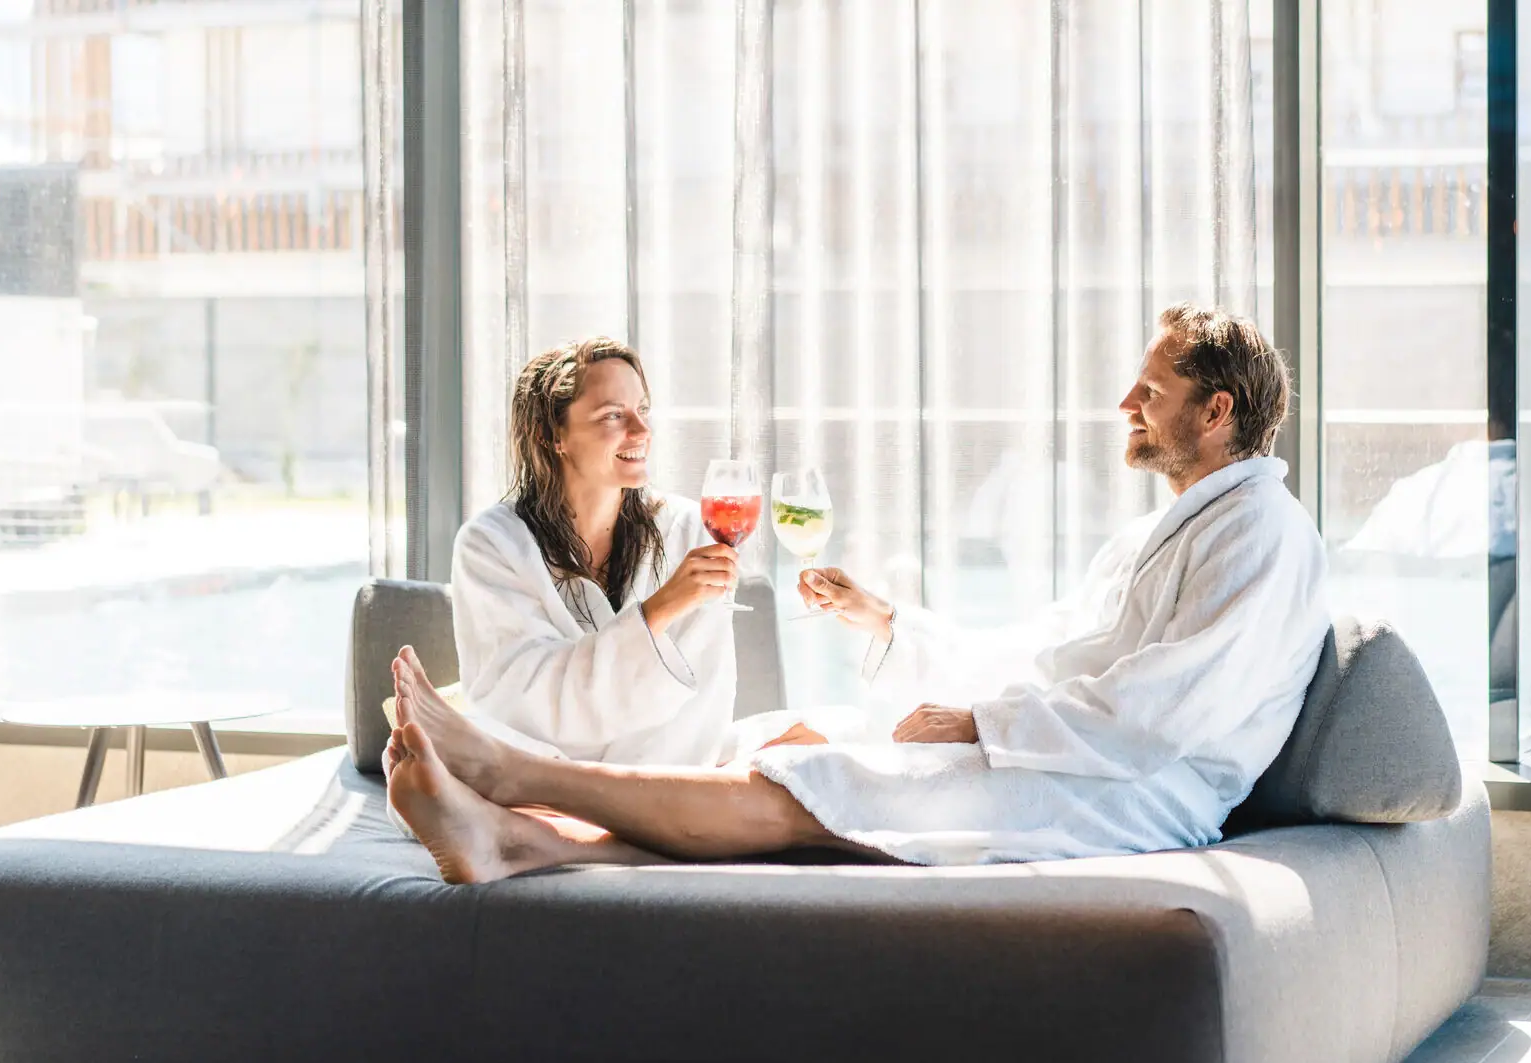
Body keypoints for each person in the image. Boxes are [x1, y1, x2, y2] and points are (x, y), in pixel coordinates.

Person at [386, 304, 1331, 882]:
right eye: (612, 416)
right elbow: (1050, 653)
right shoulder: (1167, 535)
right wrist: (889, 624)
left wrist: (980, 724)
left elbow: (1161, 711)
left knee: (822, 778)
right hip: (1093, 763)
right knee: (829, 757)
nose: (1126, 405)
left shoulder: (1260, 531)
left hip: (1134, 794)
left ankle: (516, 780)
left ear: (1217, 412)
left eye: (1150, 392)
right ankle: (526, 845)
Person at [419, 337, 741, 771]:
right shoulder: (491, 544)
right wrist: (658, 611)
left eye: (642, 410)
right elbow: (521, 706)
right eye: (613, 415)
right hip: (540, 773)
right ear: (552, 435)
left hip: (664, 775)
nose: (642, 431)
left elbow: (702, 706)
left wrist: (632, 791)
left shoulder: (688, 531)